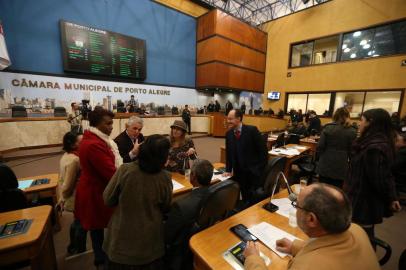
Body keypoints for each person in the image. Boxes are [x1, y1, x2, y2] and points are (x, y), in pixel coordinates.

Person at [244, 183, 380, 270]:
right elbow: (331, 247)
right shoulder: (356, 229)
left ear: (311, 219)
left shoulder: (306, 266)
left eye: (296, 205)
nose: (295, 209)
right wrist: (294, 247)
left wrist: (253, 258)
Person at [102, 135, 172, 270]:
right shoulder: (165, 177)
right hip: (150, 244)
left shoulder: (125, 170)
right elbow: (166, 207)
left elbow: (108, 199)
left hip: (120, 242)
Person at [345, 108, 401, 244]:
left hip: (363, 202)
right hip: (361, 198)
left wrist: (390, 198)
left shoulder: (374, 148)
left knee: (361, 238)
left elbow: (380, 179)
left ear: (371, 123)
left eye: (362, 120)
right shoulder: (374, 143)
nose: (359, 124)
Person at [75, 107, 122, 267]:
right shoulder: (94, 145)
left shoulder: (94, 139)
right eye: (107, 124)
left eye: (112, 123)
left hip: (96, 189)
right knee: (97, 228)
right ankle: (102, 260)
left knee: (97, 228)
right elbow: (110, 173)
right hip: (95, 193)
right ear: (96, 124)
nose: (111, 127)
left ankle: (101, 257)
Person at [165, 159, 213, 270]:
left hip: (181, 251)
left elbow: (167, 236)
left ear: (193, 176)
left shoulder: (180, 206)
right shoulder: (217, 195)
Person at [224, 109, 268, 206]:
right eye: (227, 119)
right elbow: (229, 154)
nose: (228, 121)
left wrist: (258, 169)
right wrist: (228, 169)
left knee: (254, 201)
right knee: (244, 197)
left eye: (230, 119)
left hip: (253, 173)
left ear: (239, 119)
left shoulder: (252, 131)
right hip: (238, 172)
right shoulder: (229, 134)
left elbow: (264, 153)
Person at [58, 132, 87, 255]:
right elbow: (68, 184)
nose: (84, 144)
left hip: (71, 195)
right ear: (73, 144)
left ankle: (73, 246)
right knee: (81, 223)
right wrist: (63, 198)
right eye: (80, 142)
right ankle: (78, 248)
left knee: (77, 221)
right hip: (75, 196)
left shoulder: (67, 155)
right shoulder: (75, 160)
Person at [317, 108, 357, 188]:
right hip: (341, 163)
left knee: (322, 188)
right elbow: (352, 151)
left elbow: (320, 146)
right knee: (337, 189)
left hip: (326, 161)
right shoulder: (352, 131)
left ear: (335, 116)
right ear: (347, 116)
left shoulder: (328, 127)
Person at [393, 131, 406, 198]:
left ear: (404, 143)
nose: (395, 142)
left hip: (400, 185)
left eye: (397, 140)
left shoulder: (402, 153)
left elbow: (393, 167)